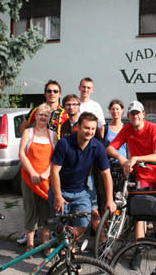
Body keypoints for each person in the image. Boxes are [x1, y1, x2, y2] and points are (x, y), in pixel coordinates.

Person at [106, 100, 156, 270]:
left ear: (143, 114)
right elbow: (110, 148)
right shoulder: (127, 129)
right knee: (140, 211)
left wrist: (135, 158)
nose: (135, 116)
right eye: (132, 113)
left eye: (138, 113)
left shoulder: (153, 128)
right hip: (143, 174)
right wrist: (122, 158)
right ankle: (139, 248)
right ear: (128, 116)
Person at [49, 112, 116, 239]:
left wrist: (109, 200)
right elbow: (54, 171)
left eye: (92, 129)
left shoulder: (97, 146)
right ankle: (66, 252)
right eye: (86, 128)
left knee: (84, 224)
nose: (89, 132)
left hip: (81, 191)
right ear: (78, 127)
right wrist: (57, 196)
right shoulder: (64, 143)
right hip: (61, 191)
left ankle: (66, 243)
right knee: (64, 225)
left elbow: (106, 174)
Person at [58, 94, 102, 235]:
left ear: (79, 106)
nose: (71, 107)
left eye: (74, 104)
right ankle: (69, 246)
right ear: (64, 107)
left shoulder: (88, 122)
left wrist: (92, 169)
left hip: (86, 177)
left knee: (94, 210)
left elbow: (98, 149)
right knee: (67, 216)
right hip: (67, 179)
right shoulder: (63, 126)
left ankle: (102, 242)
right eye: (68, 105)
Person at [18, 103, 58, 257]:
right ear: (35, 116)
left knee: (46, 212)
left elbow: (56, 158)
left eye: (46, 115)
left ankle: (46, 245)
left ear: (49, 118)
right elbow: (22, 154)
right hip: (29, 178)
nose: (42, 117)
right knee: (30, 210)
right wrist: (33, 173)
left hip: (47, 180)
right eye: (40, 114)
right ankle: (30, 245)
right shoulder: (28, 132)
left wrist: (47, 173)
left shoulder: (53, 135)